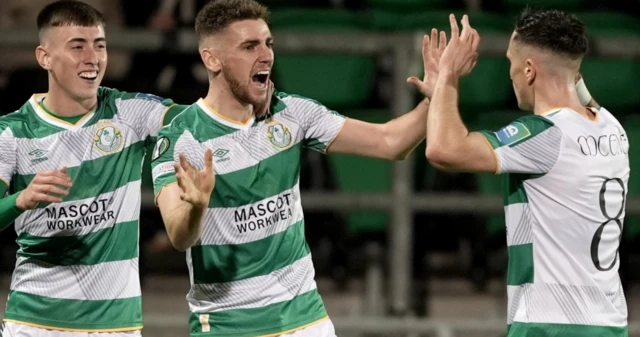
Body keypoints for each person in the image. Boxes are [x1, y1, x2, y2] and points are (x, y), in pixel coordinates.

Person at [151, 0, 442, 335]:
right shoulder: (181, 138)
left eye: (268, 43)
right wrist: (196, 207)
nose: (265, 55)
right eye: (249, 46)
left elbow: (391, 142)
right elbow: (178, 234)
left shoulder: (292, 113)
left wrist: (439, 95)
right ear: (211, 59)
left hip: (304, 319)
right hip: (228, 324)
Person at [425, 10, 628, 337]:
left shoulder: (543, 135)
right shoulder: (612, 128)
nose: (510, 73)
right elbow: (575, 83)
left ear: (530, 70)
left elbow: (442, 149)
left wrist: (447, 76)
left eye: (511, 62)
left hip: (549, 324)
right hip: (609, 322)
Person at [0, 1, 196, 336]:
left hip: (115, 327)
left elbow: (197, 118)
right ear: (44, 57)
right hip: (35, 324)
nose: (92, 58)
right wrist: (20, 200)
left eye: (100, 45)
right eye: (77, 46)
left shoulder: (129, 112)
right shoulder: (12, 131)